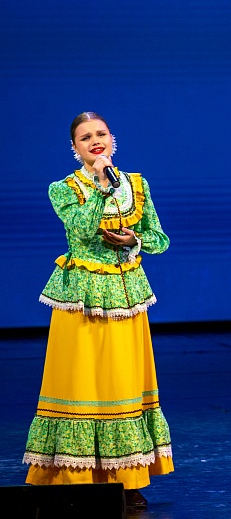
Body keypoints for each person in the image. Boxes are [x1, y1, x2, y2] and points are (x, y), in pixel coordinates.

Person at [22, 112, 173, 510]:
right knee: (81, 383)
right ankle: (73, 478)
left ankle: (127, 480)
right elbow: (82, 228)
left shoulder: (136, 184)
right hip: (82, 300)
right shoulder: (64, 189)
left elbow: (159, 240)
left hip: (126, 299)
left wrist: (134, 239)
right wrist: (103, 186)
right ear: (75, 148)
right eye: (85, 137)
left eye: (100, 133)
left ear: (112, 138)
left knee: (123, 385)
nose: (95, 141)